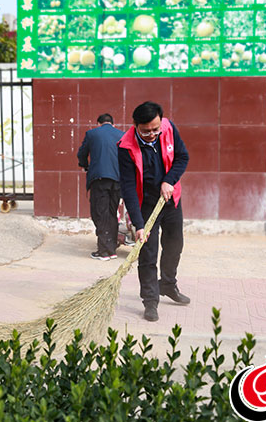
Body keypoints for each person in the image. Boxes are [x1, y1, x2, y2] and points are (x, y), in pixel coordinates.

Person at [118, 101, 190, 322]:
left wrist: (169, 180)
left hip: (170, 199)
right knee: (148, 254)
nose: (152, 134)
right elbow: (128, 187)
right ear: (136, 125)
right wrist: (138, 224)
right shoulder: (125, 146)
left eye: (155, 129)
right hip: (146, 205)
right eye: (146, 130)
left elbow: (182, 157)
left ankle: (168, 284)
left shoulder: (169, 128)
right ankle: (150, 300)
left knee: (174, 244)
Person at [77, 113, 125, 261]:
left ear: (98, 123)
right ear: (113, 124)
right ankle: (111, 248)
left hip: (99, 179)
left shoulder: (92, 133)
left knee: (100, 213)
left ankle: (104, 251)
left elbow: (82, 153)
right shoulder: (121, 135)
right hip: (117, 180)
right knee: (112, 212)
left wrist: (85, 166)